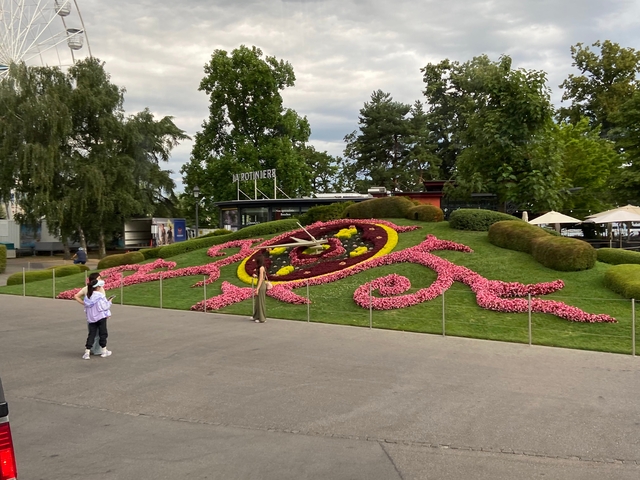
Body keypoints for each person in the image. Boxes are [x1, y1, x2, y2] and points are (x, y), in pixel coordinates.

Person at [74, 273, 113, 360]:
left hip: (91, 317)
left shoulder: (87, 295)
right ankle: (103, 350)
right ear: (97, 286)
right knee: (102, 333)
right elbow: (104, 306)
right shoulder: (100, 294)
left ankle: (87, 351)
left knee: (91, 334)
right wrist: (109, 302)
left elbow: (78, 297)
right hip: (100, 316)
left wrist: (84, 304)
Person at [252, 254, 268, 323]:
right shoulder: (262, 267)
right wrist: (256, 276)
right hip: (261, 284)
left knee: (260, 302)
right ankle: (256, 316)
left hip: (261, 285)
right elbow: (260, 277)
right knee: (257, 302)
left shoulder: (261, 268)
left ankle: (262, 318)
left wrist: (257, 289)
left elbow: (261, 279)